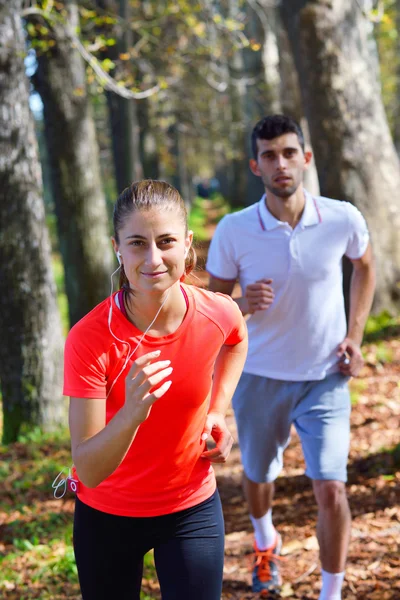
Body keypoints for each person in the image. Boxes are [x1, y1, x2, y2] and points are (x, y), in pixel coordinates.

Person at [206, 115, 376, 600]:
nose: (280, 163)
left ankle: (331, 592)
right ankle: (265, 542)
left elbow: (364, 266)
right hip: (259, 375)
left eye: (288, 152)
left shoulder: (342, 217)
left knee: (332, 489)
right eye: (268, 156)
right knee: (259, 478)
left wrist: (356, 336)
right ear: (255, 166)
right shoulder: (236, 230)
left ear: (306, 157)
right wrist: (242, 304)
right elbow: (213, 306)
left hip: (326, 376)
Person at [63, 179, 248, 600]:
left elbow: (237, 337)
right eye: (136, 243)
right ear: (117, 248)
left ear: (187, 244)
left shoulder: (215, 312)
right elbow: (88, 468)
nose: (153, 259)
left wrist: (218, 410)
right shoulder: (90, 338)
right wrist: (131, 413)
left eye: (165, 242)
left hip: (191, 508)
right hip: (106, 515)